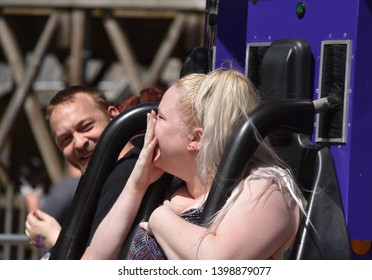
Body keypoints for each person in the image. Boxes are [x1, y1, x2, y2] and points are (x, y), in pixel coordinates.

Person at [87, 68, 307, 260]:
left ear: (195, 139)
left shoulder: (265, 187)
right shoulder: (166, 184)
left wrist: (160, 218)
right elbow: (98, 259)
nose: (150, 122)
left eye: (161, 117)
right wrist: (136, 186)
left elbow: (216, 264)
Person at [25, 86, 163, 256]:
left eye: (86, 126)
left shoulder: (126, 173)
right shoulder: (100, 177)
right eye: (66, 139)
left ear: (113, 116)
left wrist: (55, 240)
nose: (79, 142)